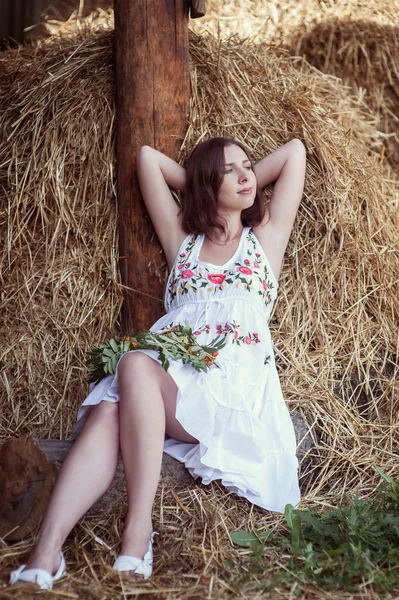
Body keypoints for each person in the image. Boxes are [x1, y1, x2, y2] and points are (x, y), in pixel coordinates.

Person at [9, 136, 307, 589]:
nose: (246, 176)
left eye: (248, 167)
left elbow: (294, 153)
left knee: (131, 365)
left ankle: (137, 531)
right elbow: (148, 159)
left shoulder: (265, 239)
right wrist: (204, 182)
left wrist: (226, 177)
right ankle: (46, 552)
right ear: (208, 184)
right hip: (167, 384)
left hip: (225, 396)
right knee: (109, 408)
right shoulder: (182, 243)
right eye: (230, 170)